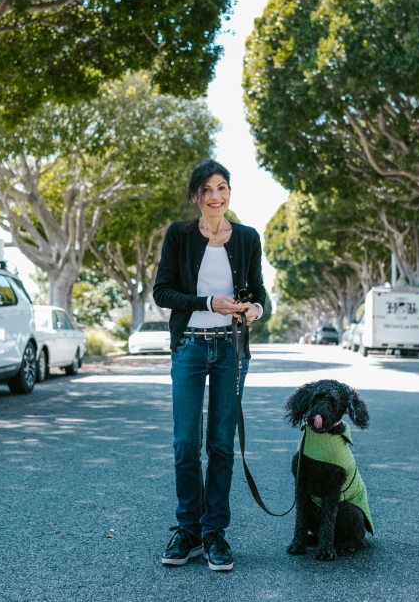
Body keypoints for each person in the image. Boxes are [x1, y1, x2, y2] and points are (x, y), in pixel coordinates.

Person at [153, 159, 266, 572]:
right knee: (186, 444)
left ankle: (215, 532)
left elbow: (258, 291)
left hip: (231, 351)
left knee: (220, 445)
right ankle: (189, 530)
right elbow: (162, 292)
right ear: (195, 196)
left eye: (223, 188)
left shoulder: (248, 238)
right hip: (190, 347)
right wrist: (207, 303)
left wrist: (252, 308)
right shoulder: (179, 235)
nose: (216, 196)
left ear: (229, 193)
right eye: (207, 190)